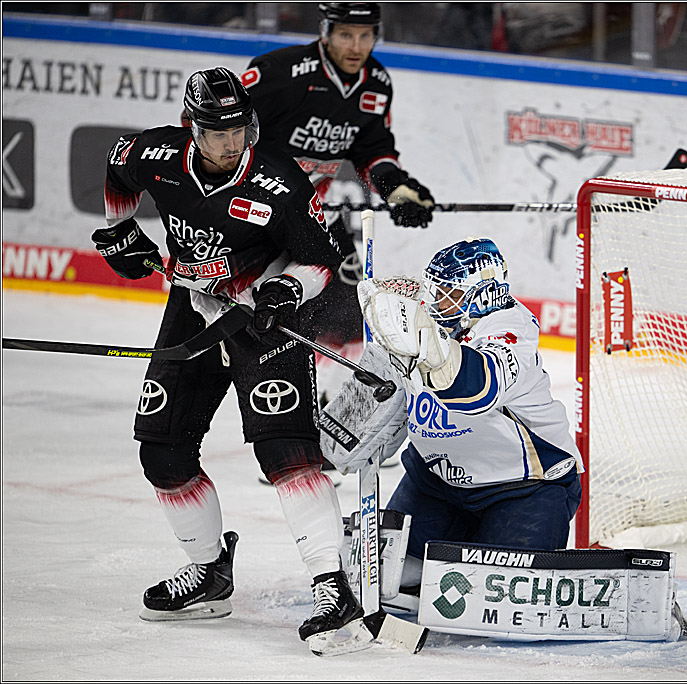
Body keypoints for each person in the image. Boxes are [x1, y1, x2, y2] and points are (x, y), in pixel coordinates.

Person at [94, 66, 364, 649]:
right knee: (161, 451)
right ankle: (209, 573)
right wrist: (118, 229)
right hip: (192, 309)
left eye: (239, 129)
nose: (232, 141)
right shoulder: (157, 154)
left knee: (287, 453)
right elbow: (118, 166)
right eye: (218, 132)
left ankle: (333, 588)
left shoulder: (279, 182)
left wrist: (285, 290)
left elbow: (321, 261)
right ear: (193, 129)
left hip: (264, 318)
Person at [350, 237, 584, 589]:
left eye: (448, 294)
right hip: (435, 482)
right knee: (384, 580)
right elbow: (385, 398)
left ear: (483, 296)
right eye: (434, 290)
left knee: (503, 593)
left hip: (523, 488)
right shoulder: (426, 323)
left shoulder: (511, 330)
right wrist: (351, 428)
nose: (434, 301)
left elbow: (478, 390)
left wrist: (424, 345)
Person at [240, 2, 435, 354]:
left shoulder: (375, 83)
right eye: (346, 35)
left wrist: (396, 188)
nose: (356, 47)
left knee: (352, 316)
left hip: (315, 215)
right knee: (256, 316)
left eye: (365, 36)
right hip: (254, 215)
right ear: (325, 32)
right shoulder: (280, 72)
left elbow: (373, 150)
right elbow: (214, 127)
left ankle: (332, 386)